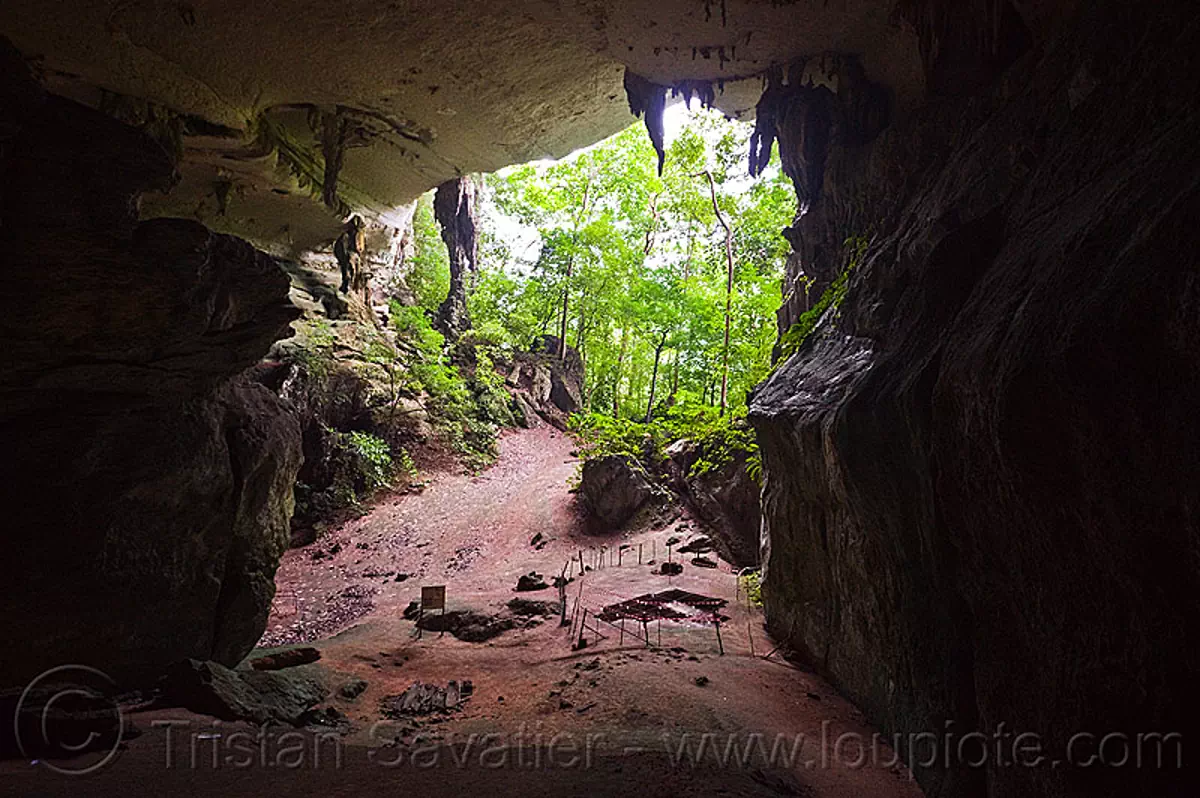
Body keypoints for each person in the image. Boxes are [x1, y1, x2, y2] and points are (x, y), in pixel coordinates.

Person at [334, 215, 365, 293]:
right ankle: (352, 287)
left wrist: (342, 256)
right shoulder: (360, 234)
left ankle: (348, 286)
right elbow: (360, 247)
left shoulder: (348, 235)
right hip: (354, 255)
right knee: (354, 271)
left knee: (347, 270)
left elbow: (341, 245)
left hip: (349, 254)